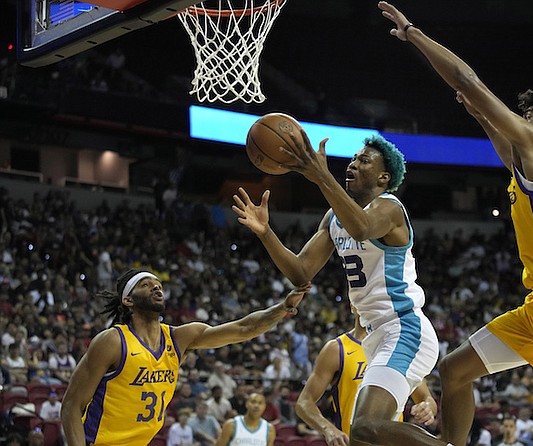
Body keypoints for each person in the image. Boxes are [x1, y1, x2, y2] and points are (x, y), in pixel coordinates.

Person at [379, 3, 533, 446]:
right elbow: (506, 152)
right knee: (453, 370)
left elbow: (468, 80)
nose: (522, 121)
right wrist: (481, 116)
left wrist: (413, 33)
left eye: (529, 116)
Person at [233, 134, 439, 445]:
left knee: (365, 427)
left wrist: (320, 175)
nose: (353, 164)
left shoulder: (390, 207)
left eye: (364, 161)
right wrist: (265, 233)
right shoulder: (333, 218)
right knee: (363, 437)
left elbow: (362, 228)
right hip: (377, 336)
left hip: (405, 328)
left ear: (384, 177)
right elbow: (301, 272)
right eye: (354, 158)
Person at [61, 268, 309, 446]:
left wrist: (282, 309)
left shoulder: (181, 337)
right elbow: (71, 405)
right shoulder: (112, 341)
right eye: (145, 285)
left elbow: (244, 328)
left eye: (158, 283)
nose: (156, 286)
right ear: (128, 300)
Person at [295, 306, 438, 446]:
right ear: (353, 305)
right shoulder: (336, 349)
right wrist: (328, 429)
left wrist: (428, 408)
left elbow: (427, 398)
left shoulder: (399, 350)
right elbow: (304, 402)